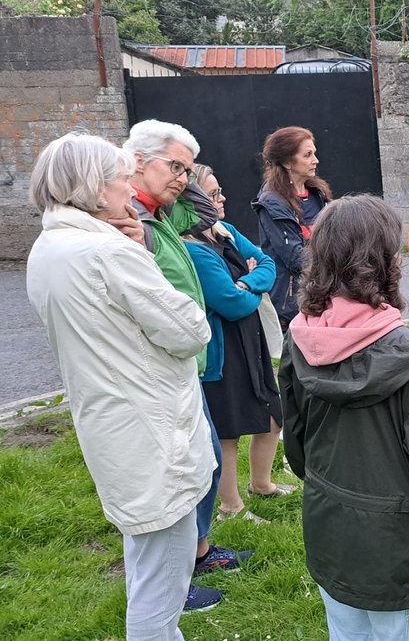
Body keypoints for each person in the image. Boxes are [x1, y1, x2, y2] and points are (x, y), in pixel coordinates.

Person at [25, 133, 216, 639]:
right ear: (93, 186)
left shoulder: (49, 247)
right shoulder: (109, 252)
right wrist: (142, 257)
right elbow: (191, 330)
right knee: (162, 581)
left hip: (112, 423)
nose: (130, 193)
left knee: (146, 554)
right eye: (120, 180)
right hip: (153, 430)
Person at [280, 195, 409, 641]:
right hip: (399, 548)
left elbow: (296, 442)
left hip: (331, 525)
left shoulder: (301, 338)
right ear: (383, 262)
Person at [124, 119, 252, 610]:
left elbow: (205, 208)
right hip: (160, 364)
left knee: (204, 463)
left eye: (187, 168)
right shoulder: (129, 218)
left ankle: (198, 552)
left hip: (186, 358)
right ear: (137, 161)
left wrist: (190, 186)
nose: (182, 177)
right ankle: (173, 581)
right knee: (178, 474)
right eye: (174, 166)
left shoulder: (161, 212)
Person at [184, 164, 292, 525]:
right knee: (228, 429)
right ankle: (230, 506)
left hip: (251, 340)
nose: (222, 197)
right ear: (194, 199)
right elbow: (229, 303)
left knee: (272, 414)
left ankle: (261, 483)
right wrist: (249, 285)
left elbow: (267, 264)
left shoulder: (225, 232)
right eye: (213, 193)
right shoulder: (193, 250)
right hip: (222, 350)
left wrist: (247, 280)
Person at [252, 126, 332, 330]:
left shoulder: (317, 194)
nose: (316, 160)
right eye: (307, 155)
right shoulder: (272, 203)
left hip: (324, 292)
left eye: (314, 153)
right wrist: (338, 262)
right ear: (288, 162)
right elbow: (296, 258)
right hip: (294, 303)